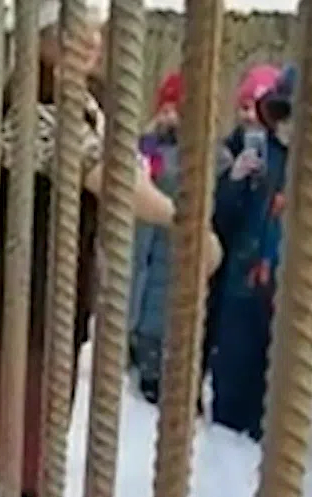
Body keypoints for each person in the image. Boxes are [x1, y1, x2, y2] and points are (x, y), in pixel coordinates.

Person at [0, 6, 217, 497]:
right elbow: (108, 175)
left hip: (57, 272)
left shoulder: (83, 98)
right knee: (22, 389)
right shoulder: (31, 104)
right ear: (42, 41)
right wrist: (183, 222)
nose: (89, 43)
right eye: (72, 34)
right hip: (23, 273)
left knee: (45, 389)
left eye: (94, 33)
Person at [205, 66, 296, 441]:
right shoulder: (256, 155)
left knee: (278, 366)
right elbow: (221, 216)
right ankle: (226, 431)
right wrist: (235, 182)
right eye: (284, 117)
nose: (290, 127)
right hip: (243, 278)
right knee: (233, 359)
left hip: (290, 285)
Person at [130, 70, 184, 404]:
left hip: (172, 243)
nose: (167, 116)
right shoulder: (147, 144)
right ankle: (138, 352)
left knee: (164, 304)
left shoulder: (202, 153)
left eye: (175, 109)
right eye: (163, 108)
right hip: (146, 236)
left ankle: (157, 368)